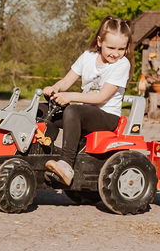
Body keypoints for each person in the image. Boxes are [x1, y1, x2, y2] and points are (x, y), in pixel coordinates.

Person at [42, 16, 132, 186]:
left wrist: (70, 96)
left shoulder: (122, 65)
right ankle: (42, 153)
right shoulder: (88, 56)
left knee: (72, 110)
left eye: (121, 49)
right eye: (111, 47)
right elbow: (66, 81)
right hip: (84, 114)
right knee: (44, 110)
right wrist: (54, 88)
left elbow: (101, 97)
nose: (115, 53)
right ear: (99, 42)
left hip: (107, 116)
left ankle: (66, 164)